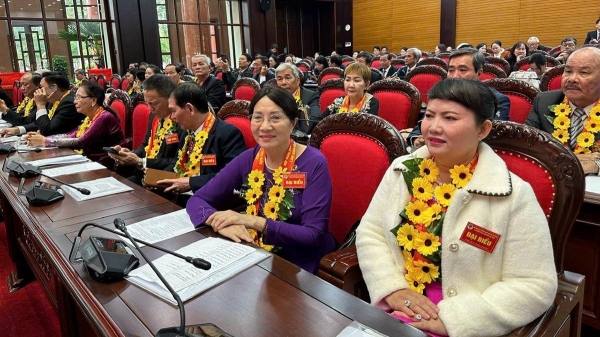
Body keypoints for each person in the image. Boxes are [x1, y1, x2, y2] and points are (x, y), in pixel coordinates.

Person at [356, 78, 557, 337]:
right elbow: (370, 232)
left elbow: (535, 285)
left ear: (482, 129)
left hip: (466, 321)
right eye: (429, 115)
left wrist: (455, 320)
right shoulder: (401, 171)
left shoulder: (513, 194)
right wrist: (392, 289)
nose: (433, 128)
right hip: (399, 305)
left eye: (450, 118)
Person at [186, 86, 336, 274]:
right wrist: (222, 224)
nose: (264, 126)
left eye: (275, 117)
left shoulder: (314, 163)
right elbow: (197, 200)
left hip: (300, 260)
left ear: (293, 122)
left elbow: (312, 235)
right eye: (257, 117)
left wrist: (252, 221)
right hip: (254, 249)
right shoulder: (248, 158)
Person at [408, 48, 511, 148]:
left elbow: (494, 139)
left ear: (479, 73)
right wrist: (416, 139)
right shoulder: (442, 95)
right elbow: (424, 123)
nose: (455, 76)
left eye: (462, 70)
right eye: (451, 70)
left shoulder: (497, 100)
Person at [156, 82, 245, 194]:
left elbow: (233, 176)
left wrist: (191, 183)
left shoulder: (227, 134)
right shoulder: (186, 132)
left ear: (190, 109)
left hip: (209, 198)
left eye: (174, 111)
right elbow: (177, 163)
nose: (172, 117)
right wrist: (157, 179)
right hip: (179, 194)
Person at [526, 47, 600, 175]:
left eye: (584, 73)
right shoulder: (544, 101)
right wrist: (571, 159)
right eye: (568, 71)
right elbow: (525, 146)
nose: (572, 79)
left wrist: (597, 164)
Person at [108, 74, 182, 185]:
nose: (149, 108)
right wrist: (130, 155)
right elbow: (145, 145)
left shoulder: (181, 121)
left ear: (170, 98)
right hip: (143, 172)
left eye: (153, 103)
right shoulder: (154, 116)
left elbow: (176, 161)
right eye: (147, 103)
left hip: (163, 177)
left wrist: (141, 161)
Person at [24, 82, 123, 158]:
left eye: (79, 97)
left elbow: (81, 141)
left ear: (93, 100)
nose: (75, 101)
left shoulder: (104, 117)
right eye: (75, 97)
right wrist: (44, 138)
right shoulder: (89, 118)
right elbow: (70, 135)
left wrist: (46, 141)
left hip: (105, 161)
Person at [0, 71, 83, 136]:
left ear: (54, 88)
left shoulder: (69, 103)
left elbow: (48, 130)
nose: (38, 90)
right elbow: (39, 123)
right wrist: (17, 129)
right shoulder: (54, 100)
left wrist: (40, 105)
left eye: (41, 87)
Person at [275, 63, 320, 134]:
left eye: (287, 78)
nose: (283, 83)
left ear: (298, 80)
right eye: (280, 79)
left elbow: (314, 120)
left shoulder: (310, 96)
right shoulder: (273, 97)